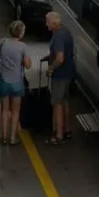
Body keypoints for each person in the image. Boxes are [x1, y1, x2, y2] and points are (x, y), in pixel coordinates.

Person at [0, 21, 32, 146]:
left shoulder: (2, 43)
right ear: (21, 33)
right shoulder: (23, 47)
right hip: (17, 83)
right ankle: (12, 138)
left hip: (3, 81)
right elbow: (28, 65)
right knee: (16, 112)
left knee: (4, 110)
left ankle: (4, 137)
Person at [45, 11, 76, 145]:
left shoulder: (57, 37)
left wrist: (51, 68)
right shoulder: (65, 31)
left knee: (57, 103)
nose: (46, 24)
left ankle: (58, 135)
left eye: (47, 22)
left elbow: (60, 58)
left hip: (60, 75)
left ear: (53, 23)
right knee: (65, 101)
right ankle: (67, 129)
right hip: (69, 72)